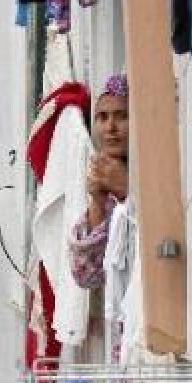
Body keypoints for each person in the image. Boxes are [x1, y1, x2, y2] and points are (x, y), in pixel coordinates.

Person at [69, 73, 129, 291]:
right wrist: (97, 199)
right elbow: (87, 277)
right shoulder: (103, 176)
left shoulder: (152, 171)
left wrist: (128, 190)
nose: (110, 127)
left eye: (121, 116)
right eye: (102, 117)